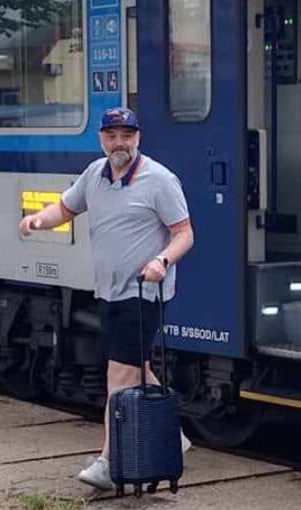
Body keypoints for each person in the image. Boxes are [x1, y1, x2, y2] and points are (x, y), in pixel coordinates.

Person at [19, 107, 195, 490]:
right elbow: (65, 208)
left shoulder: (160, 180)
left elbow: (184, 233)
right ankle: (173, 437)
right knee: (137, 368)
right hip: (109, 291)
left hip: (144, 291)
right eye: (112, 136)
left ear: (138, 137)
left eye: (126, 135)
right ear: (101, 139)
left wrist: (162, 260)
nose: (120, 143)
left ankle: (108, 460)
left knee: (119, 374)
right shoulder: (94, 175)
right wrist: (37, 220)